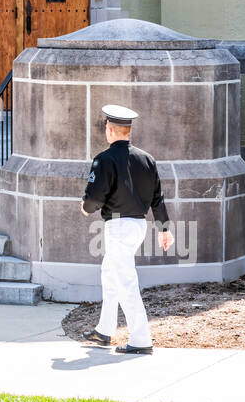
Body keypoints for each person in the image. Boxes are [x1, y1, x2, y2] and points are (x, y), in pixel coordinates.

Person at [73, 104, 173, 355]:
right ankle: (104, 330)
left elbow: (95, 196)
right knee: (110, 273)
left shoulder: (104, 159)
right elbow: (157, 197)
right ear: (127, 131)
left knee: (125, 280)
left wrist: (86, 207)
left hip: (118, 226)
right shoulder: (147, 159)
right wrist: (164, 228)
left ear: (109, 129)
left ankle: (141, 339)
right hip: (137, 225)